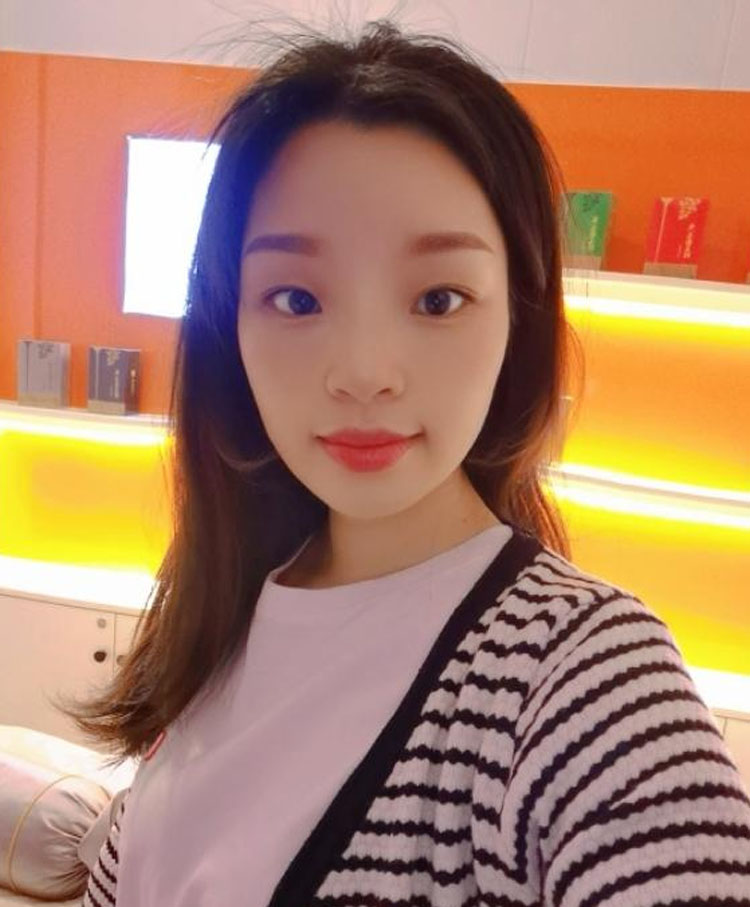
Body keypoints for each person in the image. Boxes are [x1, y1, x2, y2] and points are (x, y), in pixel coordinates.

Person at [59, 14, 750, 907]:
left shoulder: (584, 676)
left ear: (517, 321)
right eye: (295, 298)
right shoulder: (220, 621)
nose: (364, 373)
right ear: (232, 326)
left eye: (438, 298)